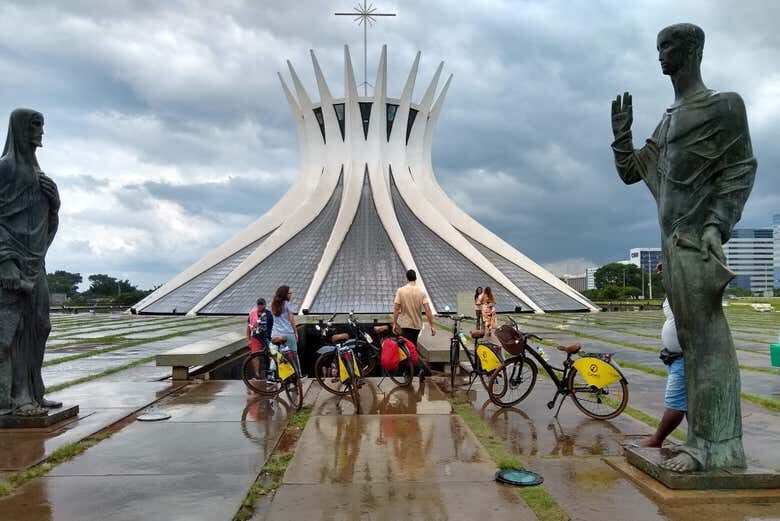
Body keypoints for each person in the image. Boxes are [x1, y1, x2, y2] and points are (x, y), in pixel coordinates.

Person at [611, 23, 755, 471]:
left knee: (708, 341)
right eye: (658, 46)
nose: (661, 54)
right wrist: (621, 135)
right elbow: (633, 172)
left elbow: (741, 168)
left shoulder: (723, 105)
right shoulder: (669, 118)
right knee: (692, 343)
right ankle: (702, 441)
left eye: (668, 45)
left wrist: (717, 225)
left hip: (696, 239)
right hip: (671, 242)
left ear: (692, 50)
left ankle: (717, 446)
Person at [0, 109, 63, 416]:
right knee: (15, 331)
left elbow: (43, 224)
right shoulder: (5, 169)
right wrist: (4, 261)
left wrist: (55, 204)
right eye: (35, 125)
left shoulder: (39, 174)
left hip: (35, 264)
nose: (41, 131)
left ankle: (35, 391)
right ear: (20, 128)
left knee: (40, 326)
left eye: (42, 125)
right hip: (12, 264)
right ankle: (18, 397)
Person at [643, 264, 686, 448]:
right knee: (687, 401)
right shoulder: (672, 291)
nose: (662, 275)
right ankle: (694, 439)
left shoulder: (684, 290)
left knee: (675, 402)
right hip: (675, 356)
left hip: (685, 358)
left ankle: (656, 440)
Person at [392, 269, 436, 346]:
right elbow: (428, 310)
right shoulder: (421, 292)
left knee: (407, 346)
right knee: (413, 345)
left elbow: (396, 309)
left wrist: (395, 323)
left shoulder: (400, 291)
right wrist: (432, 326)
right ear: (415, 278)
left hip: (405, 324)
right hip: (417, 325)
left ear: (407, 278)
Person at [247, 298, 273, 381]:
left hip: (267, 337)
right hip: (256, 337)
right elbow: (249, 327)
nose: (260, 306)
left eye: (262, 304)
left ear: (265, 305)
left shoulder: (269, 314)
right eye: (259, 304)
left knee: (270, 356)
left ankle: (271, 374)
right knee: (254, 355)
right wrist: (248, 339)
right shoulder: (252, 314)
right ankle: (257, 375)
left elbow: (272, 326)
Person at [271, 285, 298, 353]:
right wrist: (296, 333)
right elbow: (292, 320)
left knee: (277, 355)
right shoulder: (288, 304)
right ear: (285, 294)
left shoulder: (274, 305)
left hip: (275, 334)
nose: (291, 295)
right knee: (293, 354)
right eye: (289, 293)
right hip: (287, 333)